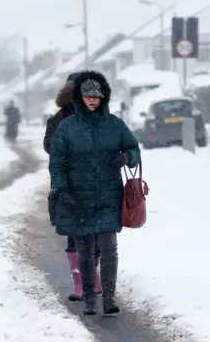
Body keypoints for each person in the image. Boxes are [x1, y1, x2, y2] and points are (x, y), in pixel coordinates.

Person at [49, 70, 141, 316]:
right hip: (78, 199)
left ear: (103, 98)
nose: (92, 100)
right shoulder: (67, 128)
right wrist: (62, 189)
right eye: (87, 96)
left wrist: (127, 157)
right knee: (85, 250)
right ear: (80, 98)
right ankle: (90, 298)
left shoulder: (114, 125)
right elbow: (56, 162)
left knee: (109, 248)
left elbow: (134, 149)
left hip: (109, 196)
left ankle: (109, 298)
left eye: (96, 96)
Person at [43, 72, 102, 301]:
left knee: (95, 232)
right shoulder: (57, 120)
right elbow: (49, 146)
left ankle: (93, 279)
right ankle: (79, 284)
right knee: (73, 233)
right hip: (67, 185)